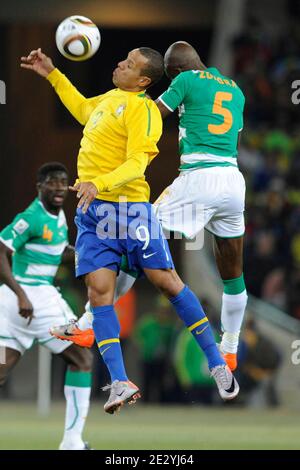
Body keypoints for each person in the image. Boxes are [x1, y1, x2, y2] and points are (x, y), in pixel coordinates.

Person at [21, 46, 239, 415]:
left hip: (129, 210)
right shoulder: (110, 99)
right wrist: (53, 74)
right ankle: (120, 382)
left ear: (143, 80)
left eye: (129, 64)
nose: (119, 64)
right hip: (94, 212)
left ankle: (216, 362)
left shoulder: (143, 110)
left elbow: (138, 162)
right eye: (123, 59)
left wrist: (98, 182)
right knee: (99, 292)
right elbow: (81, 109)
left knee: (166, 282)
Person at [0, 163, 93, 450]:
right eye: (51, 182)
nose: (58, 188)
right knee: (82, 359)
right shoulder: (30, 217)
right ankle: (72, 441)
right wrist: (21, 295)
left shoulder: (59, 215)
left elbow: (56, 251)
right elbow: (1, 251)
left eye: (62, 182)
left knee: (1, 368)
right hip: (33, 300)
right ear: (39, 186)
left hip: (14, 306)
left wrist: (84, 256)